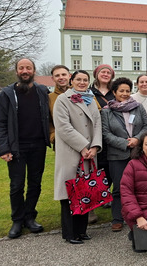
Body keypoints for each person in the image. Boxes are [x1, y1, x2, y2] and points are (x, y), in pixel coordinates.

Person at [0, 58, 50, 239]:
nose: (25, 70)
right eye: (21, 68)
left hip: (38, 145)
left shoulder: (42, 91)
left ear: (34, 70)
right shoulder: (6, 94)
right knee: (16, 185)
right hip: (16, 147)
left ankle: (30, 216)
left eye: (28, 68)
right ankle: (17, 220)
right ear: (16, 71)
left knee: (35, 184)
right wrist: (4, 149)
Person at [53, 70, 102, 244]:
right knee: (70, 193)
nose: (82, 82)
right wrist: (82, 147)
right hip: (71, 152)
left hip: (89, 153)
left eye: (85, 80)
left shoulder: (90, 98)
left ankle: (82, 231)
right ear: (71, 81)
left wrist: (95, 146)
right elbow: (63, 127)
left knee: (85, 191)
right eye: (78, 79)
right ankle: (70, 233)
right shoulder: (62, 100)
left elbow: (97, 124)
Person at [102, 77, 147, 232]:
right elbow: (105, 133)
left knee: (140, 186)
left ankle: (139, 215)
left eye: (127, 91)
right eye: (121, 91)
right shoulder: (107, 111)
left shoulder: (137, 107)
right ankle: (117, 218)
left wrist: (137, 139)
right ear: (114, 92)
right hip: (117, 155)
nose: (124, 94)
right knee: (119, 187)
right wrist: (124, 143)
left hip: (137, 153)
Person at [49, 65, 71, 145]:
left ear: (69, 76)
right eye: (57, 75)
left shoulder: (79, 94)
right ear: (53, 79)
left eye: (63, 74)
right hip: (60, 142)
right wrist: (53, 137)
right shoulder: (49, 98)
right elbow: (48, 121)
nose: (61, 77)